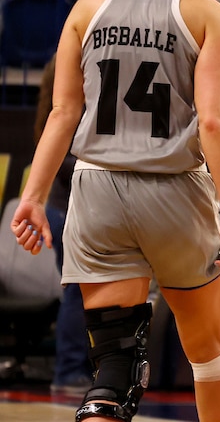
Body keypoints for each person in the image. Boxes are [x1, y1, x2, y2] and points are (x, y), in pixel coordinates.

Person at [9, 0, 220, 422]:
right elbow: (213, 122)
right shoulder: (213, 16)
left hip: (95, 192)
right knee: (209, 357)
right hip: (173, 193)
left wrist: (33, 195)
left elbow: (63, 113)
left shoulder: (90, 3)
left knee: (114, 368)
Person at [32, 57, 93, 396]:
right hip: (66, 209)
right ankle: (69, 371)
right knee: (77, 291)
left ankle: (77, 369)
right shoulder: (69, 109)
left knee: (81, 291)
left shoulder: (58, 105)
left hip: (64, 209)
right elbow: (67, 163)